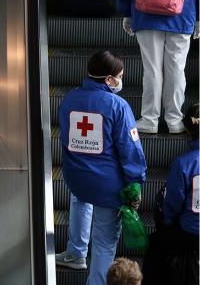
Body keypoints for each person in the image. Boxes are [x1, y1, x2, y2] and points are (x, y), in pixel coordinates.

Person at [55, 51, 147, 285]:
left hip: (77, 177)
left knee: (80, 201)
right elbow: (130, 149)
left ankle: (76, 252)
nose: (120, 81)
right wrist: (135, 183)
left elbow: (66, 138)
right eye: (119, 76)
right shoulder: (118, 105)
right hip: (108, 185)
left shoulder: (70, 98)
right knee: (105, 240)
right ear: (108, 79)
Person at [118, 0, 199, 134]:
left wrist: (126, 12)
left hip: (145, 11)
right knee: (176, 69)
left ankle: (149, 120)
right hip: (182, 11)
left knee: (152, 70)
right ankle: (174, 121)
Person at [142, 103, 199, 285]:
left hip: (191, 231)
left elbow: (171, 207)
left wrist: (166, 225)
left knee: (156, 246)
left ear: (187, 131)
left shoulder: (184, 163)